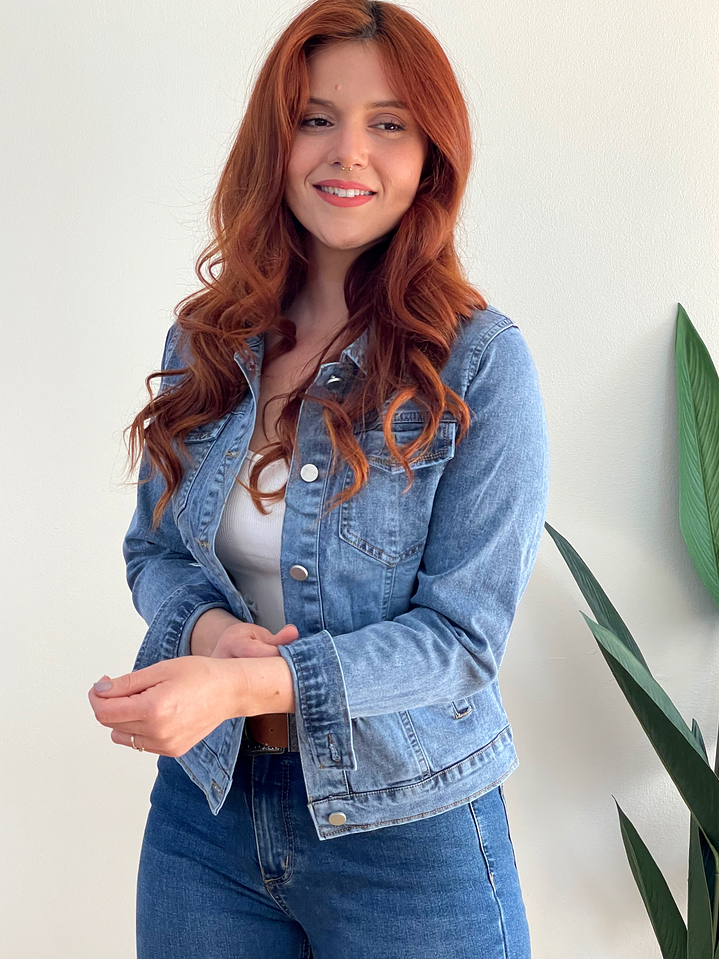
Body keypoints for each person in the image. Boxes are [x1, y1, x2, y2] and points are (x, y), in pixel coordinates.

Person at [88, 1, 550, 956]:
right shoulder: (206, 340)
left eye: (389, 124)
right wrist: (212, 636)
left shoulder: (479, 364)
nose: (349, 153)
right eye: (316, 118)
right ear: (277, 139)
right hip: (205, 816)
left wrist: (243, 684)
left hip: (408, 831)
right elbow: (156, 553)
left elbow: (461, 639)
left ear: (430, 157)